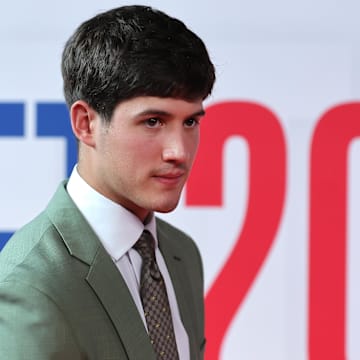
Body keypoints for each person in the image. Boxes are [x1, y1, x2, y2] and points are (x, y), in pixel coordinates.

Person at [0, 5, 215, 360]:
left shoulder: (181, 256)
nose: (179, 151)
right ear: (85, 124)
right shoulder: (30, 287)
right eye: (153, 121)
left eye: (190, 122)